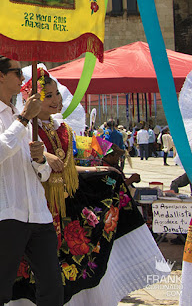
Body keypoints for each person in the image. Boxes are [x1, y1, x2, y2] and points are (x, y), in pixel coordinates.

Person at [12, 75, 159, 304]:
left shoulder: (63, 129)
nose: (55, 100)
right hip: (36, 206)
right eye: (47, 95)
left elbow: (68, 169)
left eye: (57, 94)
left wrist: (97, 170)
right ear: (31, 100)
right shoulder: (23, 131)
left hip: (65, 206)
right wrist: (40, 155)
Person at [0, 53, 62, 306]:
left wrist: (40, 160)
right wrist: (23, 119)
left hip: (38, 213)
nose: (22, 78)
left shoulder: (19, 117)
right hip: (8, 213)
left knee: (53, 287)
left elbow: (40, 172)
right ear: (0, 76)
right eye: (17, 73)